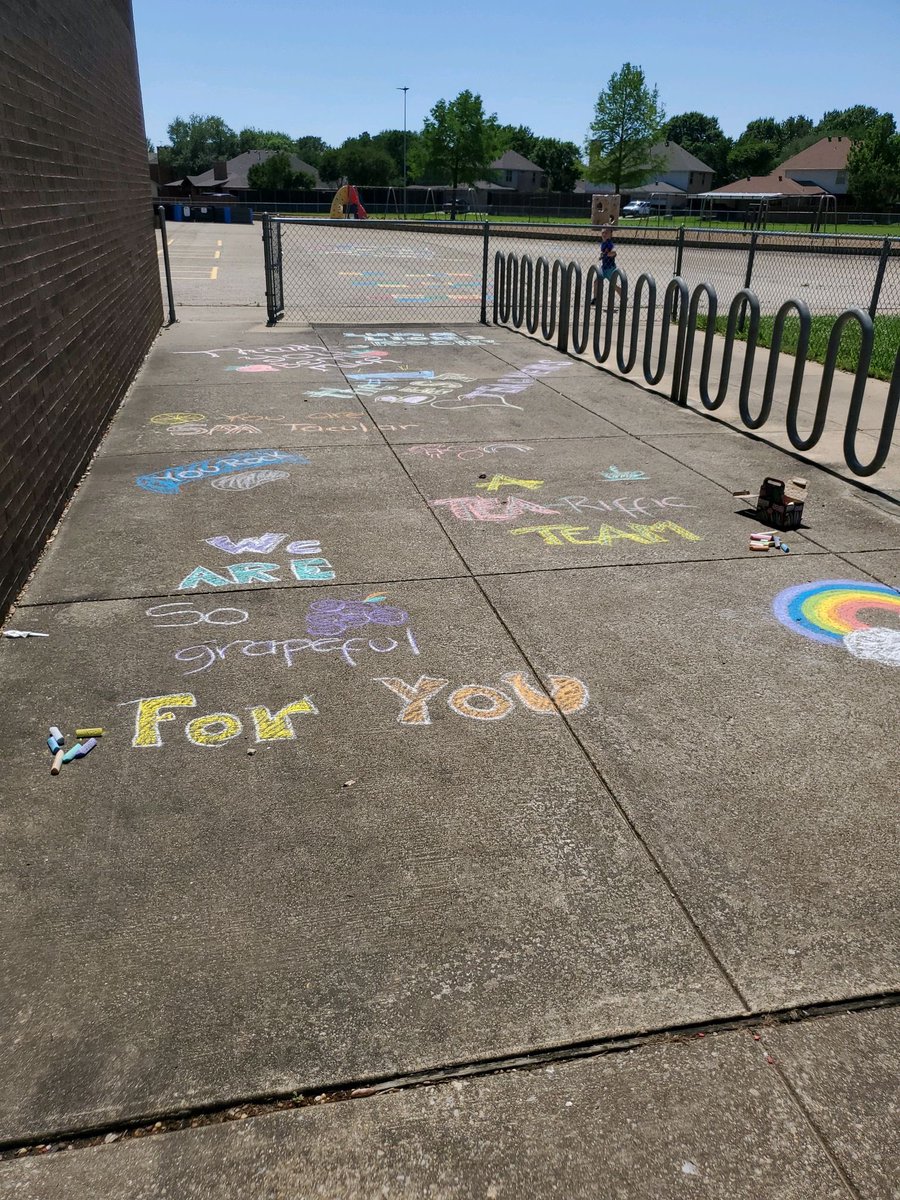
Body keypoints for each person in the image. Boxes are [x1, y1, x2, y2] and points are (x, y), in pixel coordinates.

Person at [591, 224, 622, 304]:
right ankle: (595, 298)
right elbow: (604, 253)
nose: (604, 234)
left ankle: (623, 296)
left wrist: (609, 254)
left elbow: (614, 252)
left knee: (613, 285)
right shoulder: (603, 243)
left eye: (606, 233)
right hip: (603, 267)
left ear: (611, 234)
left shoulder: (609, 243)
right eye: (603, 233)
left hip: (610, 268)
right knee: (596, 281)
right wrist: (602, 256)